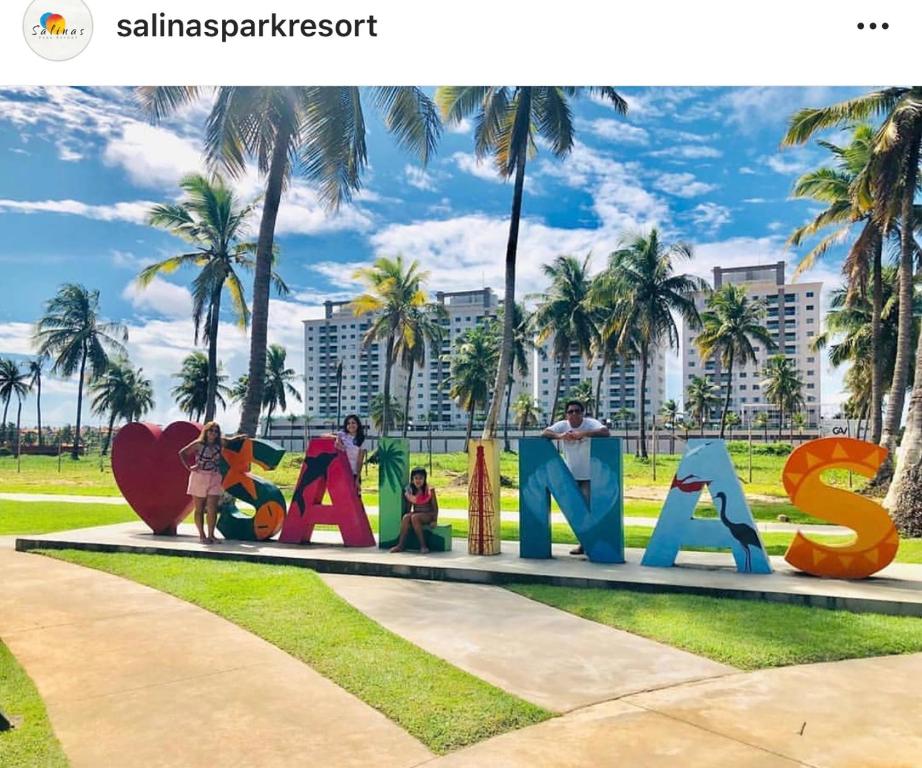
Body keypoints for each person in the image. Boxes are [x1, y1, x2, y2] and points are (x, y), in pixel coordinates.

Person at [542, 400, 610, 555]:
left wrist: (583, 434)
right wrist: (560, 436)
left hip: (588, 477)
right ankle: (584, 543)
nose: (574, 414)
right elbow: (544, 433)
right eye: (570, 411)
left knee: (587, 510)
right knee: (576, 512)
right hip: (570, 476)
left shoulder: (589, 423)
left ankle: (590, 544)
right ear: (566, 414)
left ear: (582, 413)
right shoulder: (563, 425)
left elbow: (605, 432)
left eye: (577, 411)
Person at [178, 422, 243, 544]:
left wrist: (240, 438)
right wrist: (189, 467)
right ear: (206, 431)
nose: (213, 433)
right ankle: (202, 535)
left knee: (212, 508)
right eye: (211, 430)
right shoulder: (198, 444)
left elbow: (230, 441)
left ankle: (211, 535)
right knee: (200, 508)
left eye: (216, 431)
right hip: (200, 476)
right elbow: (182, 453)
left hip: (214, 476)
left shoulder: (220, 443)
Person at [389, 467, 439, 554]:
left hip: (428, 514)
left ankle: (423, 545)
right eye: (416, 478)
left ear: (424, 479)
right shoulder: (410, 490)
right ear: (412, 479)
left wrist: (434, 520)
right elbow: (409, 506)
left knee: (415, 517)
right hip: (416, 513)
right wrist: (407, 517)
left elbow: (435, 507)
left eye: (421, 478)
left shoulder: (429, 490)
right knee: (406, 517)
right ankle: (400, 545)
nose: (418, 480)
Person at [324, 414, 366, 494]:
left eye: (353, 423)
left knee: (356, 501)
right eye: (348, 423)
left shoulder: (361, 439)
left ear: (358, 424)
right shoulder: (342, 434)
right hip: (341, 472)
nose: (351, 425)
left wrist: (357, 479)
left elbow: (360, 461)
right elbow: (323, 435)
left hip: (353, 473)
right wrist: (336, 438)